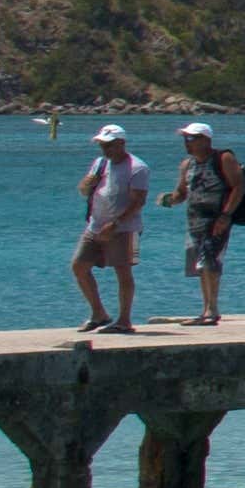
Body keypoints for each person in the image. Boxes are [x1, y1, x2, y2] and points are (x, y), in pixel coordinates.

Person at [68, 126, 151, 334]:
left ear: (121, 143)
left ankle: (124, 320)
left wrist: (116, 223)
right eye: (102, 145)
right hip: (95, 225)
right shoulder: (100, 163)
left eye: (109, 145)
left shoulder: (137, 168)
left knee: (123, 272)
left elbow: (138, 201)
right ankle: (99, 314)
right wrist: (86, 184)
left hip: (125, 229)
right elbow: (84, 190)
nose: (105, 149)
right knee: (79, 266)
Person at [170, 123, 245, 326]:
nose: (188, 143)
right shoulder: (187, 164)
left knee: (210, 261)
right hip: (194, 220)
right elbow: (181, 192)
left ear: (206, 140)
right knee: (200, 265)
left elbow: (238, 186)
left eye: (192, 138)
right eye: (186, 139)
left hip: (216, 219)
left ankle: (212, 310)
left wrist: (226, 215)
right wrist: (169, 199)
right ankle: (206, 308)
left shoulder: (223, 158)